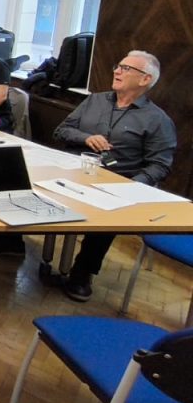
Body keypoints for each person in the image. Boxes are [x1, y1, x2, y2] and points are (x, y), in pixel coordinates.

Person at [52, 51, 177, 301]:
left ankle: (82, 272)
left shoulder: (157, 120)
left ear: (145, 80)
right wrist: (86, 137)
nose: (117, 71)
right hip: (74, 172)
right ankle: (12, 246)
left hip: (116, 182)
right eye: (117, 66)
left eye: (126, 68)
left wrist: (130, 187)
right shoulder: (95, 101)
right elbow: (61, 131)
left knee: (110, 214)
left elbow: (160, 165)